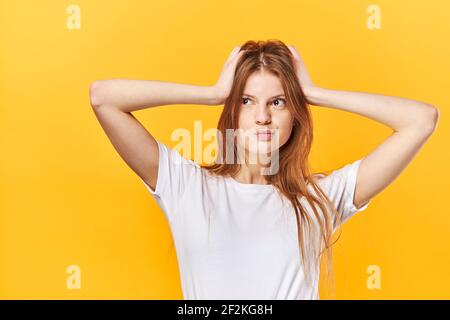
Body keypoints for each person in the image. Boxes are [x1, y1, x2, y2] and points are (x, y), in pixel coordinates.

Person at [89, 39, 439, 300]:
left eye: (278, 101)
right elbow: (103, 97)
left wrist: (313, 92)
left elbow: (421, 120)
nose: (262, 117)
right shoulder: (188, 186)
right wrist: (214, 93)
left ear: (295, 115)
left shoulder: (317, 198)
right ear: (232, 111)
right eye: (246, 101)